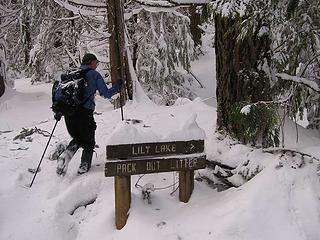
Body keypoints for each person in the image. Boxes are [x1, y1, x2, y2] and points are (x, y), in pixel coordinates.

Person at [56, 53, 122, 176]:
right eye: (96, 63)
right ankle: (84, 167)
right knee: (89, 142)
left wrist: (59, 112)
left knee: (78, 139)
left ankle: (65, 156)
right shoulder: (94, 75)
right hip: (84, 113)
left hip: (69, 113)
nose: (97, 65)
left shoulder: (73, 75)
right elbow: (106, 93)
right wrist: (117, 87)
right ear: (91, 62)